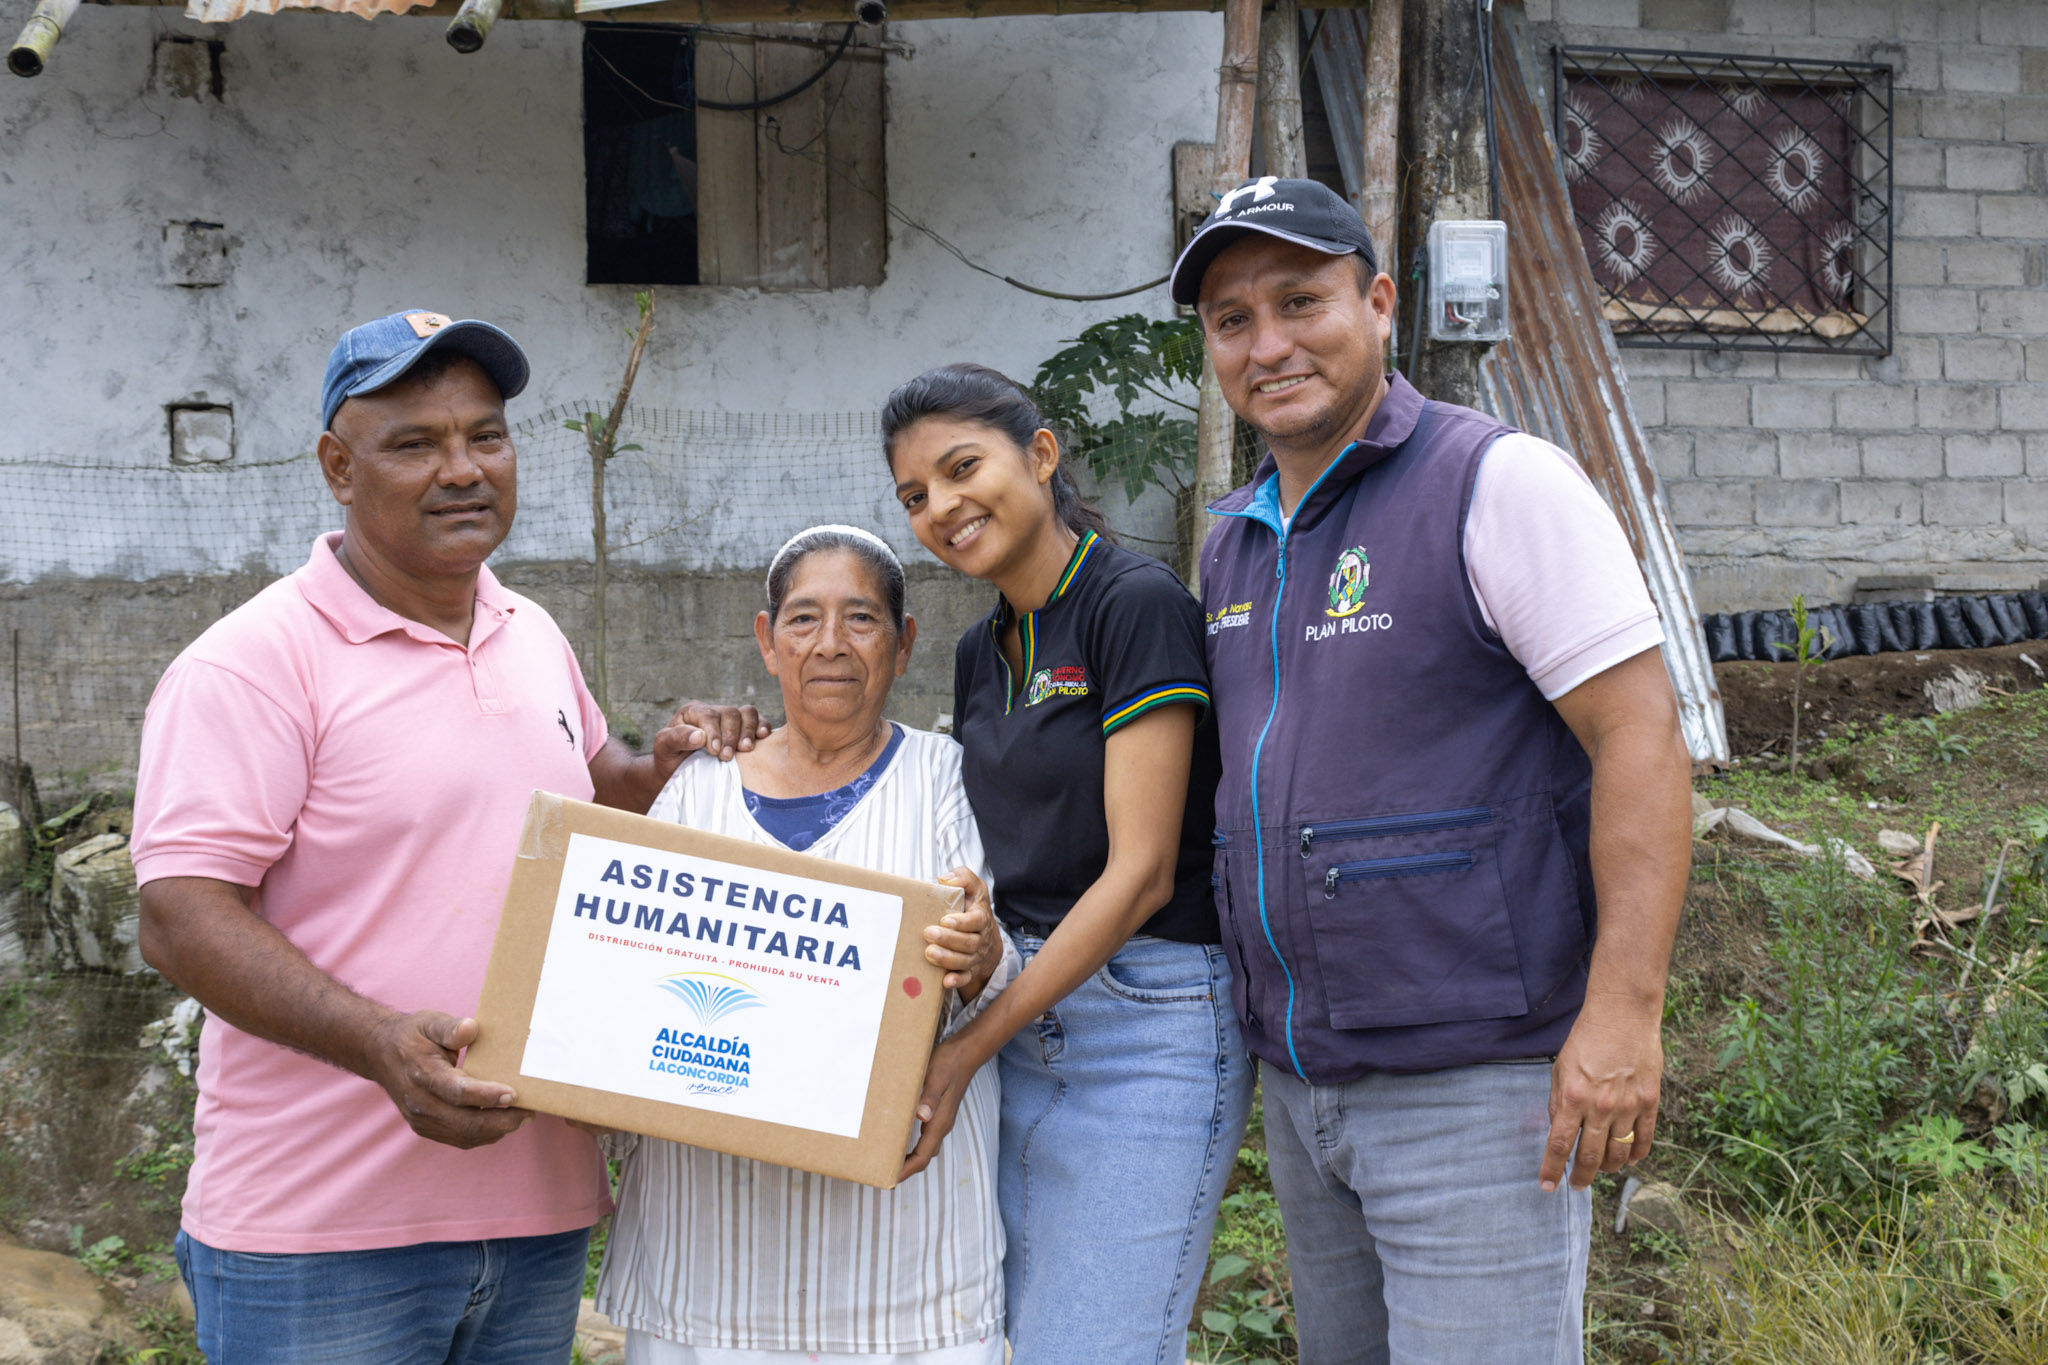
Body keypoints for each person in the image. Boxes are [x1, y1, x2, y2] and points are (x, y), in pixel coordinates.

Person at [131, 309, 765, 1365]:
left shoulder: (530, 631)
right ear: (338, 467)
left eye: (486, 436)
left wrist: (668, 766)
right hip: (318, 1237)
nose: (463, 469)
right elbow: (178, 915)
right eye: (416, 443)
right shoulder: (252, 665)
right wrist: (380, 1045)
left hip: (535, 1214)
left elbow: (590, 793)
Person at [1169, 177, 1694, 1363]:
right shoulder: (1233, 542)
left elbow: (1638, 737)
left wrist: (1623, 1014)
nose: (1267, 345)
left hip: (1475, 1084)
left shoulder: (1494, 482)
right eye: (1231, 320)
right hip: (1303, 1086)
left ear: (1379, 303)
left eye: (1299, 302)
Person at [883, 365, 1253, 1364]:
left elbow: (1140, 874)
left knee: (1094, 1345)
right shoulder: (980, 649)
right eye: (914, 495)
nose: (940, 507)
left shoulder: (1131, 604)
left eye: (962, 468)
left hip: (1146, 1027)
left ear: (1040, 455)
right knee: (1020, 1339)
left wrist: (967, 1047)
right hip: (1021, 1018)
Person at [596, 524, 1017, 1365]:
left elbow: (991, 958)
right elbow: (626, 976)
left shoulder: (943, 776)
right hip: (705, 1267)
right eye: (802, 619)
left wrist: (980, 952)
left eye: (861, 618)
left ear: (903, 643)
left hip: (903, 1271)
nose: (830, 644)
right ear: (766, 640)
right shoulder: (699, 788)